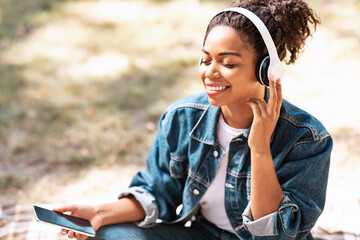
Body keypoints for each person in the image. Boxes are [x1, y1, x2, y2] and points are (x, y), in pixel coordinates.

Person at [55, 0, 332, 239]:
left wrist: (259, 148)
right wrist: (98, 213)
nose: (210, 72)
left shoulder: (306, 138)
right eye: (205, 59)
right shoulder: (182, 117)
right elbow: (158, 191)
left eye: (228, 63)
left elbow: (277, 236)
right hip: (203, 234)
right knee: (109, 235)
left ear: (265, 69)